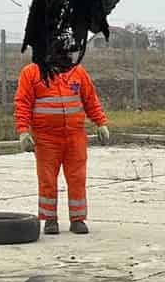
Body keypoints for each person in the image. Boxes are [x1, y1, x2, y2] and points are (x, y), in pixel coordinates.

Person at [15, 51, 110, 235]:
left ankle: (78, 219)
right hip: (46, 138)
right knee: (47, 179)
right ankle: (50, 219)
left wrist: (100, 122)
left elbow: (90, 99)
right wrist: (23, 131)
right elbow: (23, 103)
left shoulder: (78, 72)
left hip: (75, 136)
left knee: (77, 178)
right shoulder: (31, 72)